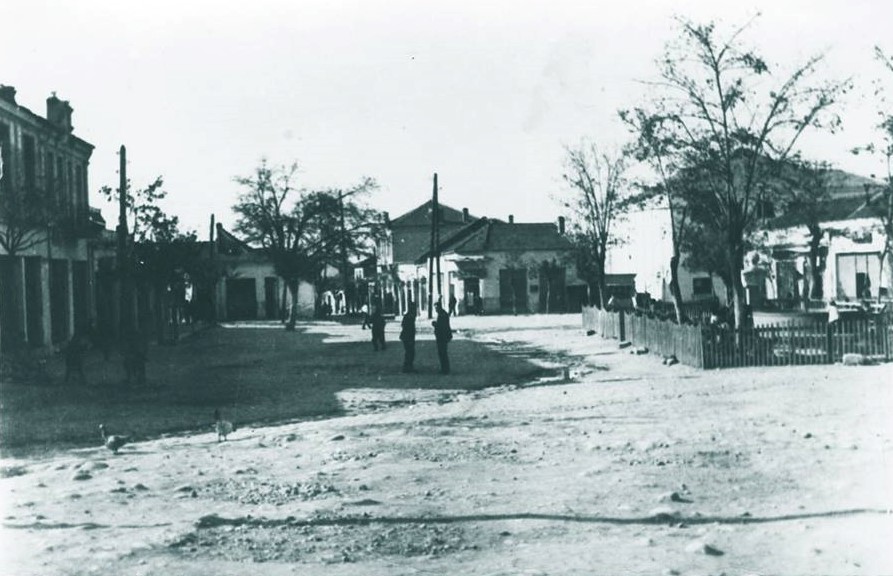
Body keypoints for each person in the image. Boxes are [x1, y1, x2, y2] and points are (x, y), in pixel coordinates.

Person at [433, 302, 453, 374]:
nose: (435, 309)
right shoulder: (442, 314)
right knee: (442, 353)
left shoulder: (442, 315)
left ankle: (445, 369)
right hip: (442, 336)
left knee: (442, 353)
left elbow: (442, 327)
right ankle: (444, 368)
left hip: (442, 337)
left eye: (436, 308)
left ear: (439, 307)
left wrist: (435, 325)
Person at [399, 302, 417, 372]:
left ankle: (408, 366)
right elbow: (405, 326)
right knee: (410, 352)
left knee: (409, 352)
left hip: (408, 337)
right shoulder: (409, 316)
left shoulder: (409, 316)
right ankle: (408, 367)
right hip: (408, 337)